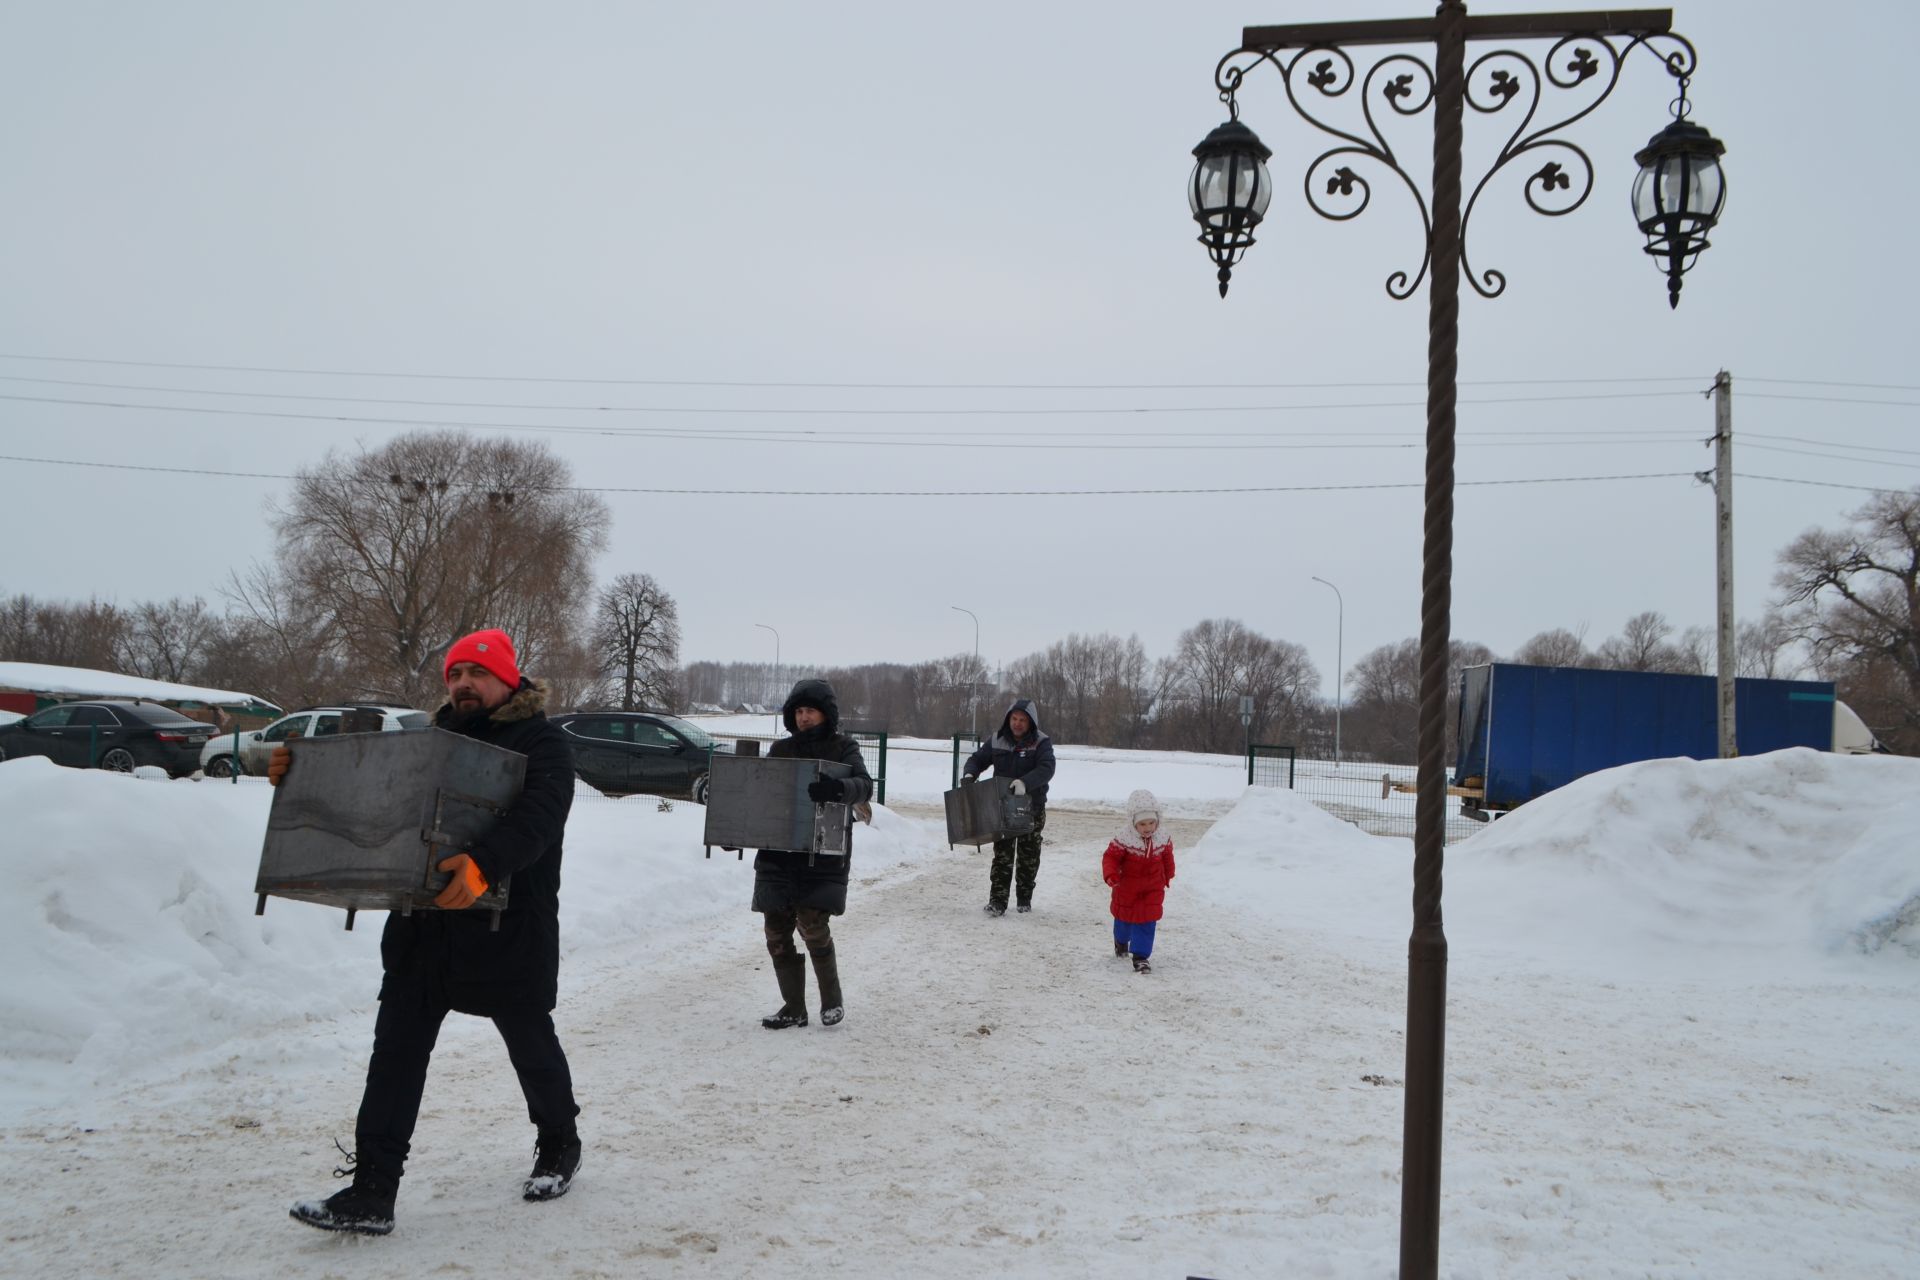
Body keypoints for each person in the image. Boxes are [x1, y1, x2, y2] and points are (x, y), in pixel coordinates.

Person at [284, 628, 583, 1236]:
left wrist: (484, 863)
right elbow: (374, 800)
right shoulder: (430, 743)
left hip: (506, 927)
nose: (463, 684)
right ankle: (372, 1190)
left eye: (477, 673)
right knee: (393, 1054)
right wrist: (304, 775)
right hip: (423, 928)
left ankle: (559, 1141)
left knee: (530, 1045)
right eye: (454, 675)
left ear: (507, 679)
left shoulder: (543, 742)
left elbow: (541, 816)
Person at [754, 677, 874, 1030]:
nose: (804, 717)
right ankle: (793, 1007)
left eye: (811, 711)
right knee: (775, 931)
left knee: (813, 926)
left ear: (826, 714)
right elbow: (762, 798)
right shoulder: (780, 750)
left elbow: (864, 785)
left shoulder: (843, 748)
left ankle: (831, 1001)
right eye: (799, 711)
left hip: (822, 853)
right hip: (778, 852)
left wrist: (838, 788)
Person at [961, 698, 1056, 915]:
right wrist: (969, 773)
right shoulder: (997, 740)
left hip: (1031, 806)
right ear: (1008, 718)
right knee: (1002, 854)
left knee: (1028, 854)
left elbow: (1047, 768)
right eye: (1014, 718)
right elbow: (977, 759)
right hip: (1002, 807)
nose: (1017, 723)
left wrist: (1025, 783)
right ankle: (998, 901)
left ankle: (1024, 899)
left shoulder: (1041, 742)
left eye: (1023, 719)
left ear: (1031, 722)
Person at [1102, 788, 1176, 975]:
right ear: (1133, 823)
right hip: (1127, 887)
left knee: (1147, 920)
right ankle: (1121, 941)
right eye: (1142, 824)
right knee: (1124, 919)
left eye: (1152, 822)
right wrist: (1111, 874)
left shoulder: (1162, 837)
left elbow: (1167, 856)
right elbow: (1110, 857)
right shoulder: (1124, 839)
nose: (1148, 827)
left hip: (1153, 888)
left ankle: (1141, 957)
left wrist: (1168, 874)